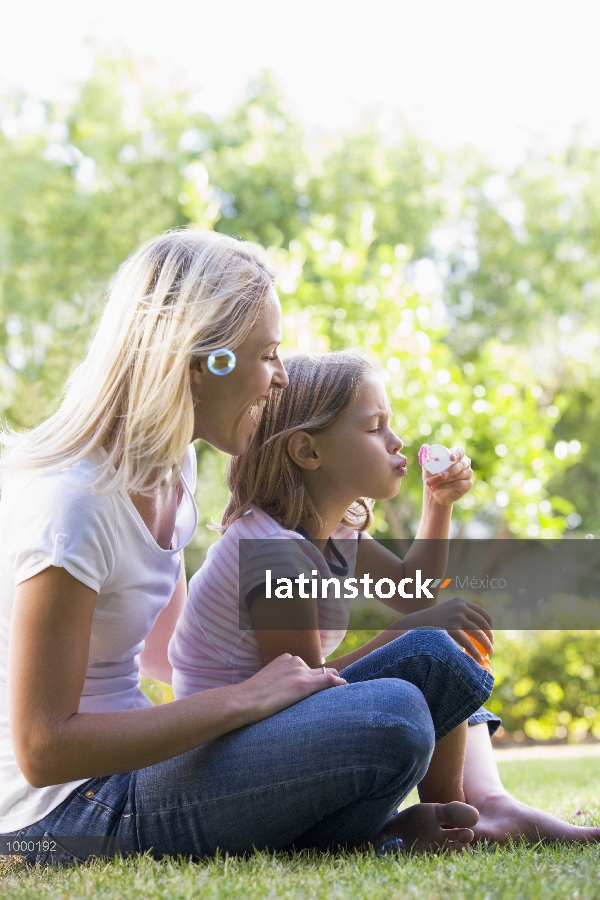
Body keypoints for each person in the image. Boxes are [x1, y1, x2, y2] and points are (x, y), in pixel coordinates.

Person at [0, 229, 493, 864]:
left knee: (426, 656)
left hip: (144, 773)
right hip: (63, 816)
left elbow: (166, 654)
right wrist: (247, 698)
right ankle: (376, 834)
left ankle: (415, 822)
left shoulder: (169, 474)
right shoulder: (76, 504)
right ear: (205, 361)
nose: (280, 380)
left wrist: (273, 728)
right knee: (393, 715)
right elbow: (43, 751)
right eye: (267, 355)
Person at [171, 348, 600, 847]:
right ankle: (460, 821)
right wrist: (408, 640)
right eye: (375, 428)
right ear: (308, 451)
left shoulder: (336, 533)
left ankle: (484, 805)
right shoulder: (271, 552)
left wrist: (437, 505)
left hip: (274, 732)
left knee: (438, 652)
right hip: (236, 758)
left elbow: (413, 593)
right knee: (429, 652)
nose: (397, 442)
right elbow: (305, 688)